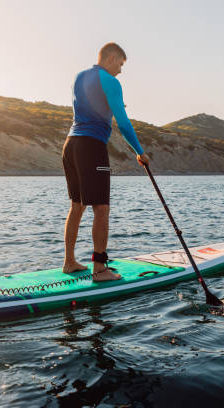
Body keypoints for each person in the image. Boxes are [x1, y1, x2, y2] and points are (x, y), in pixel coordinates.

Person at [62, 42, 150, 282]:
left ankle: (69, 262)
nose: (120, 71)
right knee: (101, 208)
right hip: (91, 146)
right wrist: (140, 152)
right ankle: (100, 269)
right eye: (120, 65)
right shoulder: (111, 81)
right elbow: (122, 123)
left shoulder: (79, 76)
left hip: (70, 145)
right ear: (111, 59)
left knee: (77, 205)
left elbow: (92, 106)